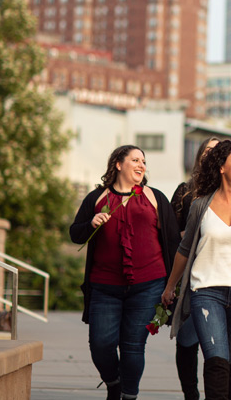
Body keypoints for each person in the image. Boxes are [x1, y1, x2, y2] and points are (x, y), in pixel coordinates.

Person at [162, 140, 231, 400]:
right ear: (221, 167)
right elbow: (185, 250)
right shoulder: (201, 206)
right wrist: (170, 286)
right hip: (206, 292)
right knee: (216, 360)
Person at [69, 145, 180, 400]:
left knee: (133, 347)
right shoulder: (96, 198)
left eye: (143, 161)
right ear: (118, 164)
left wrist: (171, 286)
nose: (141, 165)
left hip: (149, 284)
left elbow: (172, 241)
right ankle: (113, 383)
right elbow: (75, 234)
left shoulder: (155, 198)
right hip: (104, 286)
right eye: (135, 160)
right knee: (100, 344)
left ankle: (129, 396)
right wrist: (91, 223)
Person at [170, 136, 220, 400]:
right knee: (186, 339)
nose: (211, 155)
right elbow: (167, 233)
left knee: (215, 342)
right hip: (189, 276)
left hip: (220, 275)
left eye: (217, 151)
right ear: (200, 155)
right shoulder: (185, 191)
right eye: (208, 150)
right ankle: (191, 394)